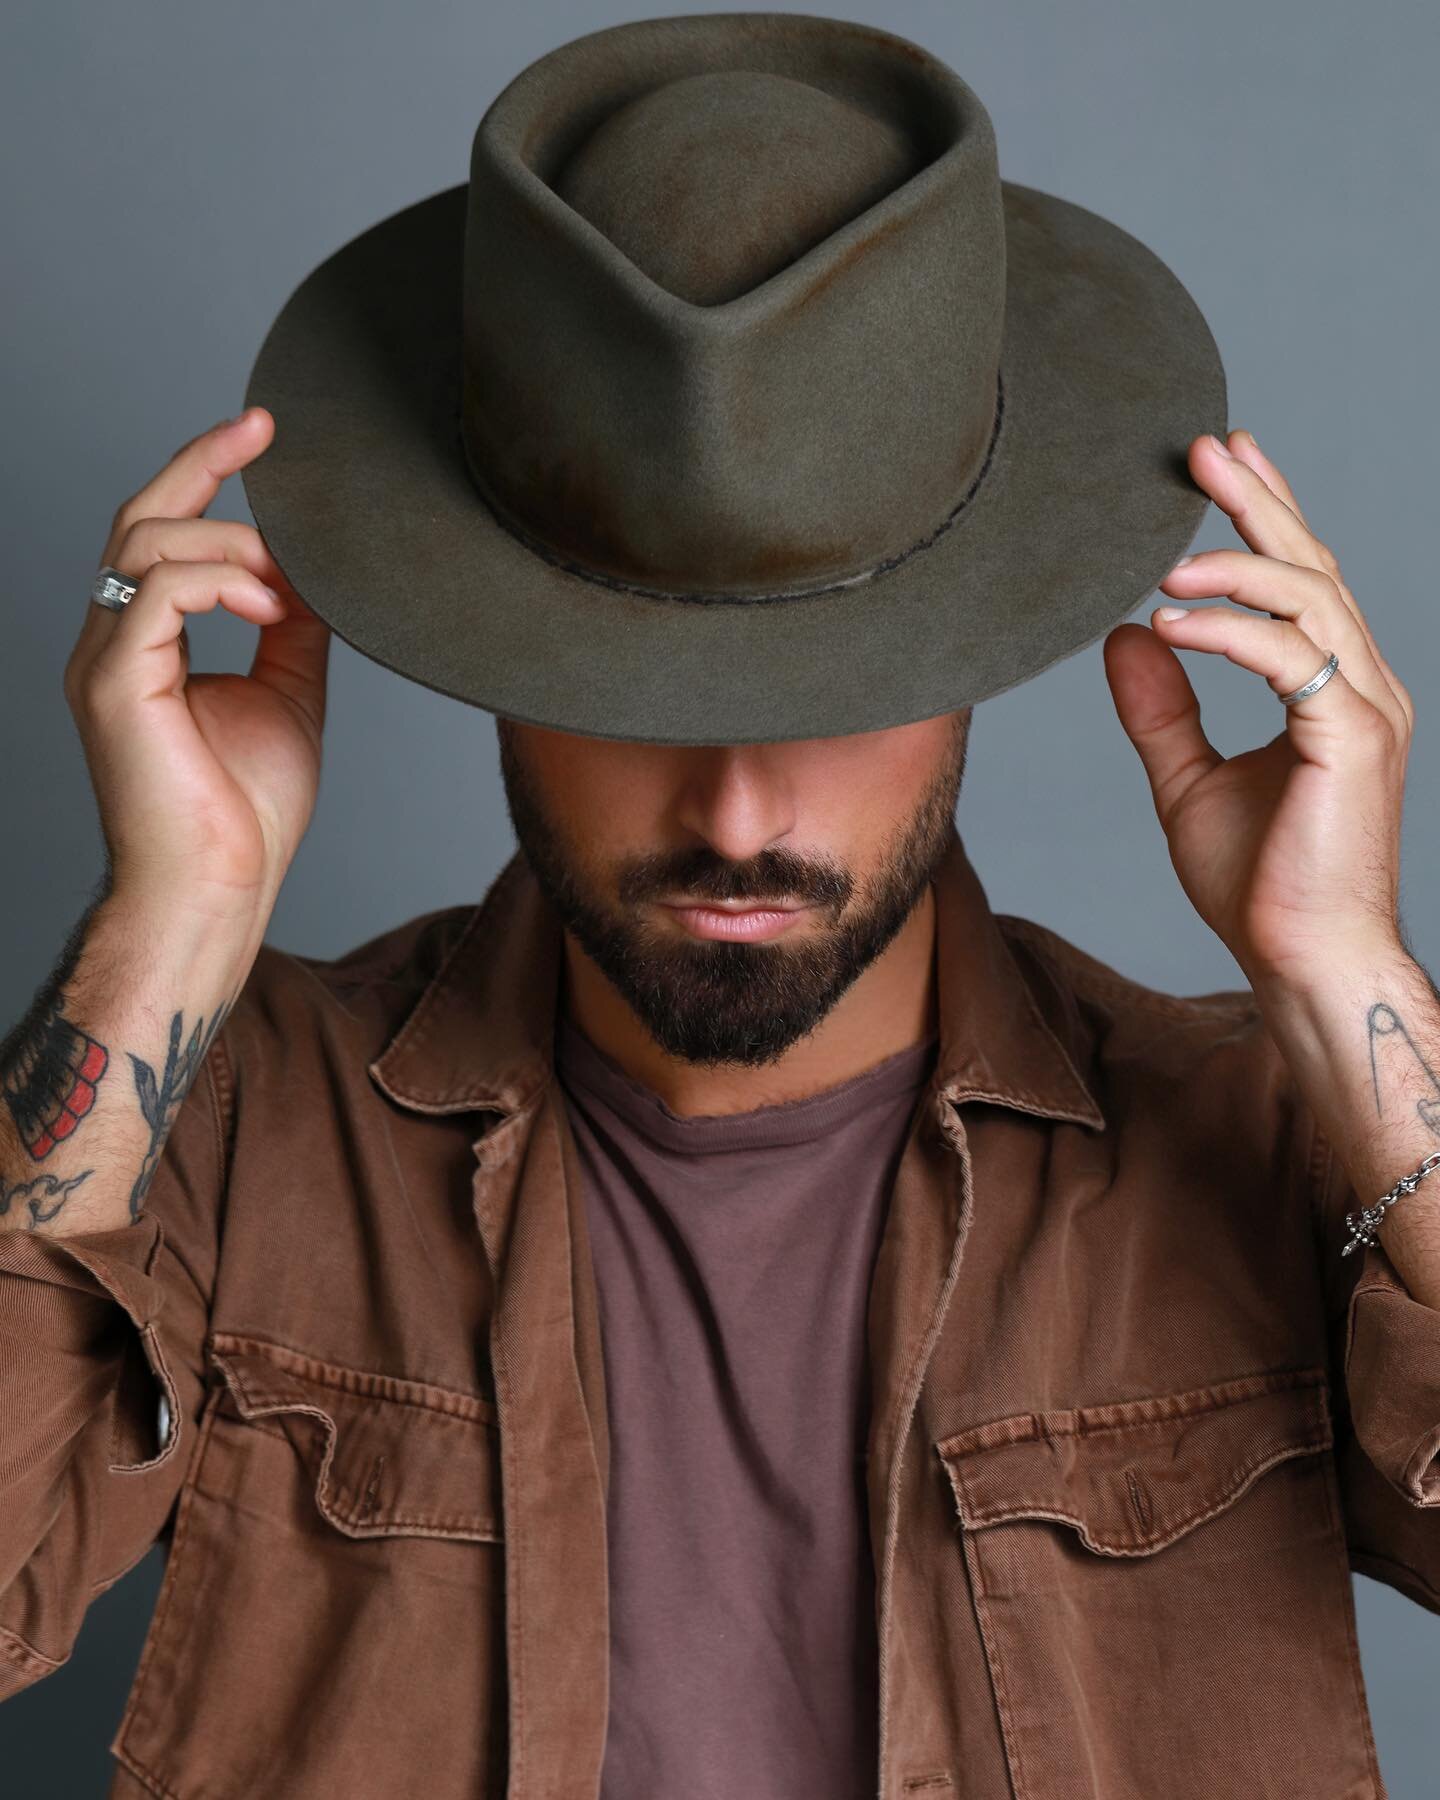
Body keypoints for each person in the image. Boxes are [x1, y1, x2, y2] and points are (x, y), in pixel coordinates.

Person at [2, 14, 1437, 1800]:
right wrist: (171, 923)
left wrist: (1346, 978)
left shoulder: (1260, 1137)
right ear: (483, 650)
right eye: (638, 694)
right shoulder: (239, 1127)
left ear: (983, 661)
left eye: (843, 692)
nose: (740, 811)